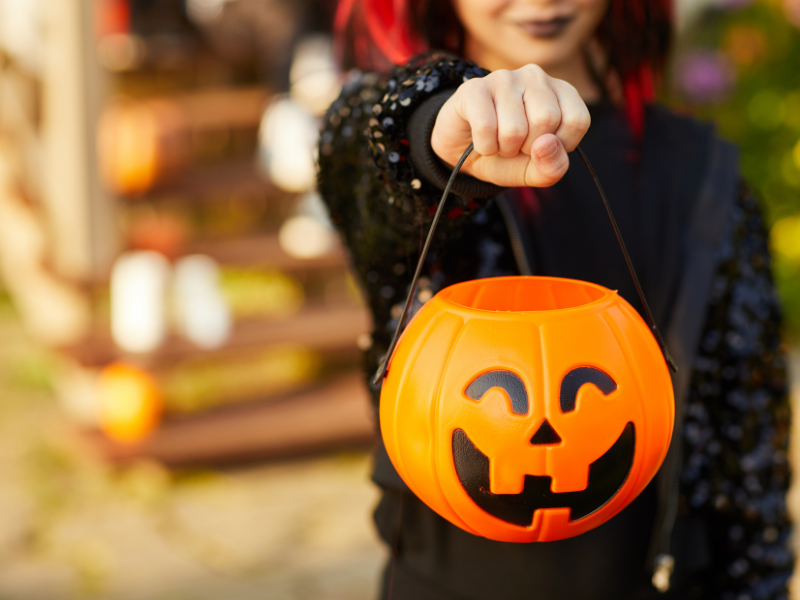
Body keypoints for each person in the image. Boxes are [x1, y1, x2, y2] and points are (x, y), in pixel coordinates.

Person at [317, 1, 793, 598]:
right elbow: (367, 149)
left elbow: (747, 464)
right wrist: (437, 125)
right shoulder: (402, 141)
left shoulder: (702, 176)